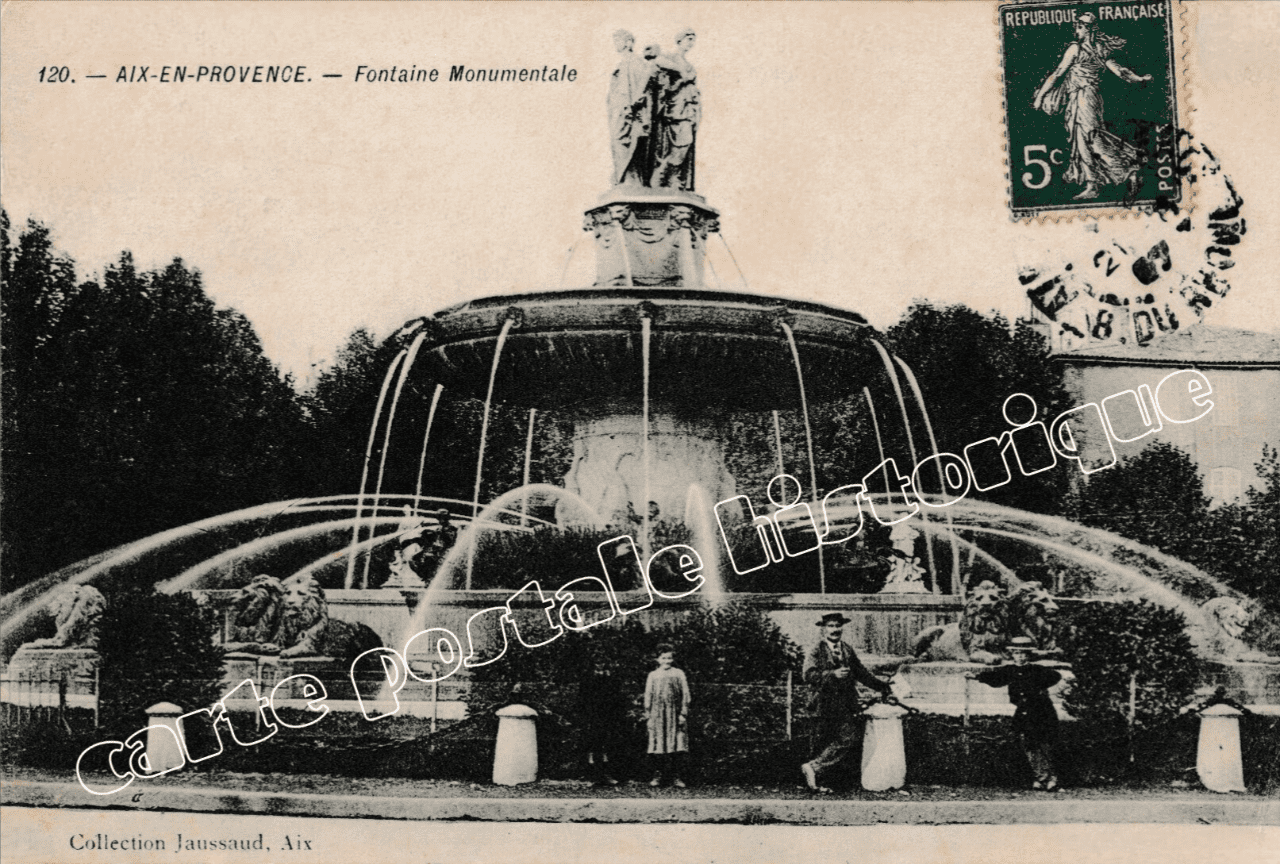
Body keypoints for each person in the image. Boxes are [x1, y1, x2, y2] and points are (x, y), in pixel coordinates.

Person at [1032, 12, 1153, 201]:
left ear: (1086, 29)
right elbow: (1120, 71)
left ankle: (1127, 169)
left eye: (1079, 27)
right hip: (1089, 98)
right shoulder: (1100, 49)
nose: (1076, 30)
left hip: (1083, 97)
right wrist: (1139, 79)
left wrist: (1040, 96)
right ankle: (1094, 183)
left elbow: (1057, 74)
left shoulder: (1075, 49)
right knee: (1085, 138)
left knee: (1090, 138)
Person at [801, 612, 893, 793]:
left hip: (844, 703)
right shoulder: (816, 650)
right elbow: (808, 675)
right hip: (823, 703)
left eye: (838, 626)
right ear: (823, 629)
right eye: (831, 626)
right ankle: (816, 781)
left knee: (847, 737)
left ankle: (815, 769)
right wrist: (831, 674)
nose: (835, 630)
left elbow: (861, 673)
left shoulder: (847, 649)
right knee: (823, 739)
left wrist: (883, 687)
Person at [967, 636, 1063, 791]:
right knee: (1029, 745)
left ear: (1029, 656)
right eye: (1017, 653)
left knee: (1045, 744)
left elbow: (1055, 676)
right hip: (1024, 712)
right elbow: (996, 678)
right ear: (1012, 654)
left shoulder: (1037, 670)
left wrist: (1039, 688)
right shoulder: (1010, 670)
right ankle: (1040, 776)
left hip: (1041, 711)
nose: (1021, 656)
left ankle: (1052, 778)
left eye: (1024, 654)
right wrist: (976, 677)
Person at [650, 28, 701, 191]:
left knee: (686, 143)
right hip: (675, 108)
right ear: (680, 41)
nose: (691, 43)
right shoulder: (671, 57)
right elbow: (657, 61)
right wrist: (680, 73)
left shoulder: (689, 64)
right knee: (682, 142)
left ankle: (674, 177)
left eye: (693, 40)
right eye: (689, 39)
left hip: (688, 108)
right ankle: (662, 174)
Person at [608, 29, 657, 186]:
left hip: (627, 111)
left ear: (629, 43)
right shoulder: (623, 63)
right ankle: (624, 176)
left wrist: (633, 105)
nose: (616, 43)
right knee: (618, 142)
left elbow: (642, 85)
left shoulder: (634, 62)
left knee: (626, 140)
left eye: (619, 40)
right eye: (615, 40)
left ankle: (630, 177)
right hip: (618, 110)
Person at [644, 643, 691, 787]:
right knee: (658, 744)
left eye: (669, 658)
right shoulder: (653, 675)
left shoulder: (679, 673)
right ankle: (658, 776)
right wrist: (649, 716)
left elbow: (686, 694)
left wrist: (683, 713)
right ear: (658, 659)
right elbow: (648, 696)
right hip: (657, 715)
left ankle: (676, 777)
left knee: (677, 744)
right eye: (663, 658)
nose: (667, 661)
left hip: (674, 715)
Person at [576, 660, 629, 786]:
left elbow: (618, 698)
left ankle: (610, 775)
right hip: (593, 717)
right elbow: (582, 700)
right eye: (597, 663)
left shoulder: (612, 679)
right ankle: (595, 776)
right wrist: (585, 718)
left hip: (609, 717)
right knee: (594, 747)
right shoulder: (587, 679)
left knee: (609, 746)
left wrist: (617, 715)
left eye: (602, 663)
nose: (600, 665)